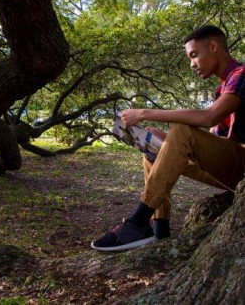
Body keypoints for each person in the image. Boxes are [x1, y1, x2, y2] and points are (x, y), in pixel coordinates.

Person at [91, 25, 245, 252]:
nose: (192, 64)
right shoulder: (221, 88)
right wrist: (165, 141)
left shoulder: (241, 75)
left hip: (241, 165)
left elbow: (209, 117)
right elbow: (214, 142)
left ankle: (137, 222)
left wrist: (145, 113)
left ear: (213, 46)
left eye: (194, 55)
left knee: (181, 131)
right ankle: (158, 229)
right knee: (153, 148)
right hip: (232, 170)